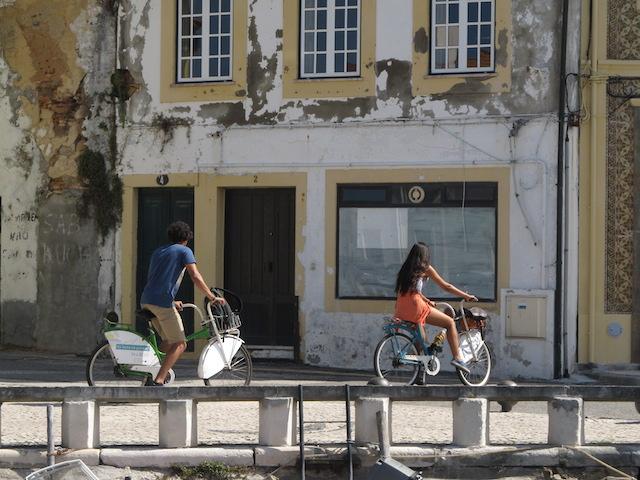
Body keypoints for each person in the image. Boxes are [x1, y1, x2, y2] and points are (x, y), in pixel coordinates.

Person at [140, 221, 223, 386]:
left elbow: (155, 279)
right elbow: (195, 276)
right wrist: (211, 296)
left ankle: (152, 370)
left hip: (147, 300)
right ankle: (158, 380)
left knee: (169, 341)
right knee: (180, 343)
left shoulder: (159, 251)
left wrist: (171, 301)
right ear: (186, 238)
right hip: (161, 303)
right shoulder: (185, 251)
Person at [394, 242, 478, 374]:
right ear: (425, 255)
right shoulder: (425, 268)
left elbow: (412, 291)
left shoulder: (406, 268)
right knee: (450, 323)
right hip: (416, 307)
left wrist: (427, 300)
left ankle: (419, 374)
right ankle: (458, 358)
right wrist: (465, 295)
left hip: (402, 307)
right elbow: (446, 286)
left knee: (421, 341)